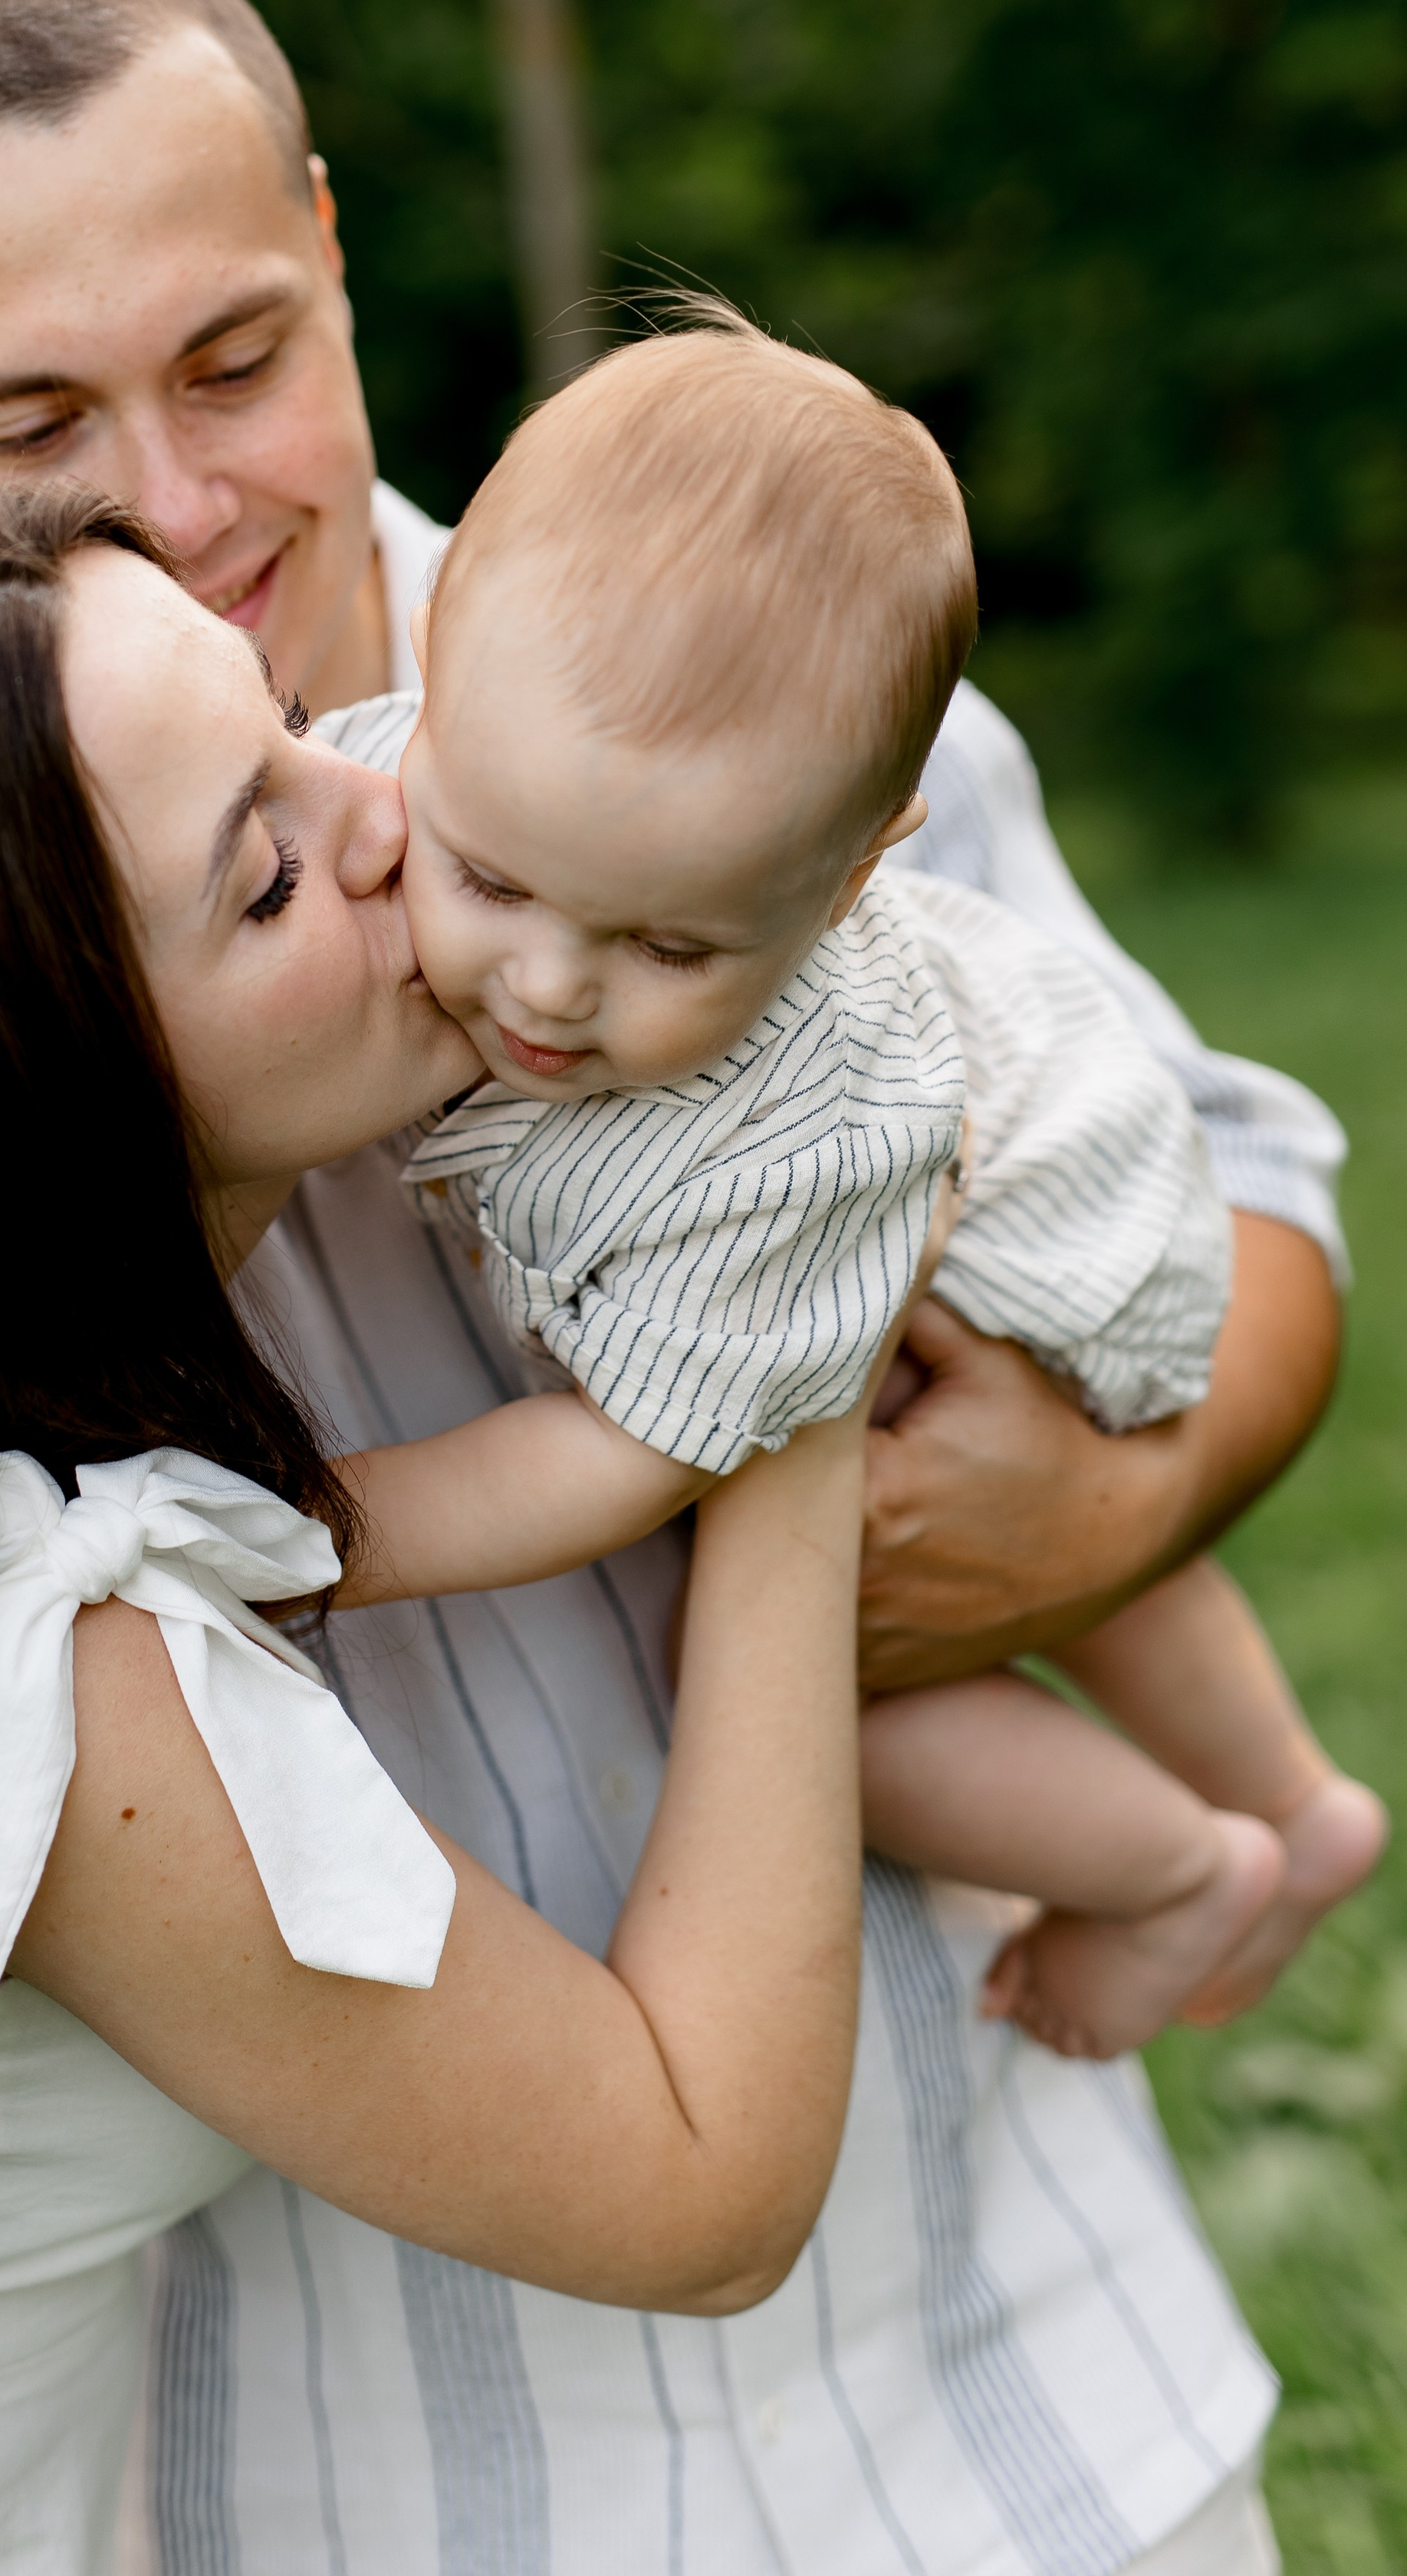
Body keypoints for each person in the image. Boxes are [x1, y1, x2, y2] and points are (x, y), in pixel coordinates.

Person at [0, 0, 1347, 2571]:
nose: (190, 501)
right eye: (35, 421)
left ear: (332, 247)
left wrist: (1090, 1506)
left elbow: (1237, 1204)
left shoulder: (760, 673)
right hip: (384, 2481)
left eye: (238, 355)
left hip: (1011, 2397)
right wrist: (771, 1427)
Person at [0, 485, 883, 2576]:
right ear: (11, 1091)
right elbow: (702, 2181)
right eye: (272, 870)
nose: (387, 805)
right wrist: (784, 1386)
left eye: (293, 715)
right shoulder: (42, 1685)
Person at [315, 315, 1383, 2063]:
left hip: (1038, 1205)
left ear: (849, 869)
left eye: (668, 940)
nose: (548, 990)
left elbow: (612, 1458)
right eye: (486, 876)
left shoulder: (779, 1133)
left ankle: (1175, 1867)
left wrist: (324, 1525)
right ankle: (1286, 1789)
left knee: (804, 1684)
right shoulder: (396, 758)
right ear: (431, 681)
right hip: (1024, 1121)